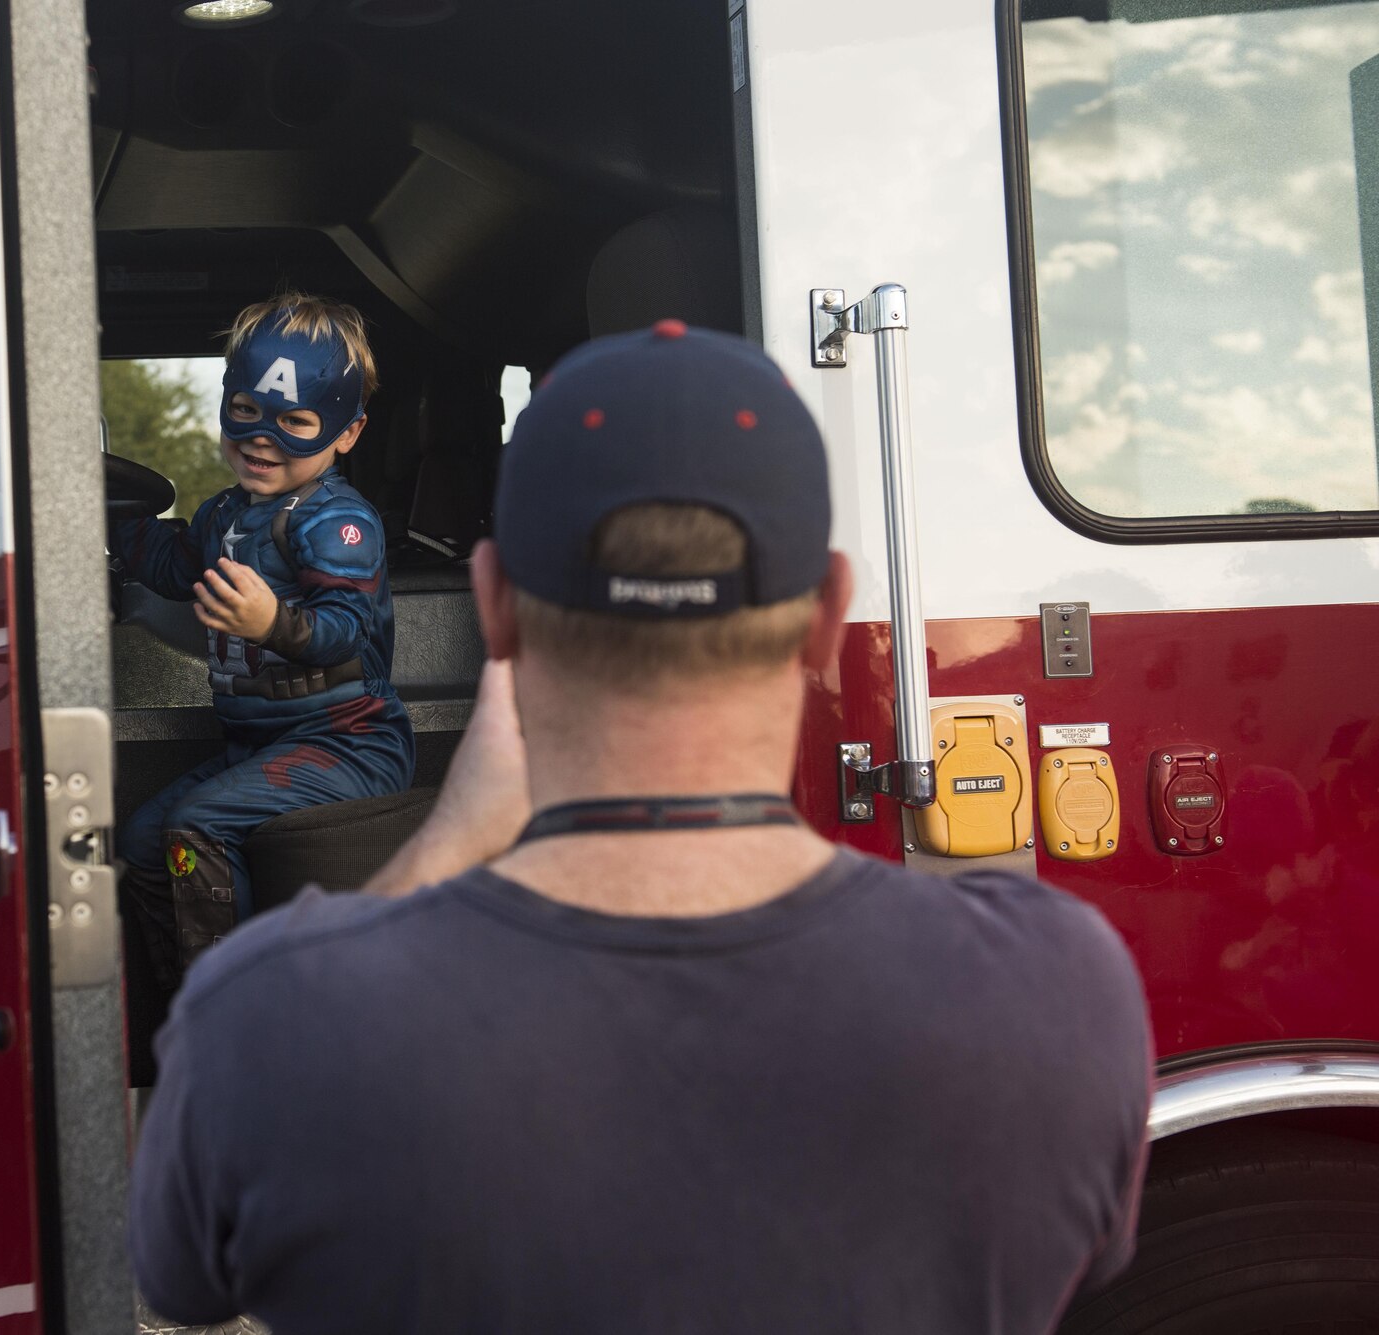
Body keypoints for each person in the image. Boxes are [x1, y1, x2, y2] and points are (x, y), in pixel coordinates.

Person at [126, 321, 1153, 1333]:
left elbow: (181, 1286)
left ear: (492, 610)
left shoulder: (260, 1021)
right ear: (830, 614)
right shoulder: (1060, 992)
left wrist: (446, 840)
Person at [110, 293, 414, 989]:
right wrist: (106, 518)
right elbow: (174, 564)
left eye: (295, 422)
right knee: (141, 842)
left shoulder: (338, 521)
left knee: (196, 824)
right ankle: (178, 998)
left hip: (349, 743)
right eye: (245, 412)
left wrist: (271, 623)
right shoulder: (225, 514)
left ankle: (238, 1000)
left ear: (346, 432)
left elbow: (346, 626)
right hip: (262, 747)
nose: (261, 438)